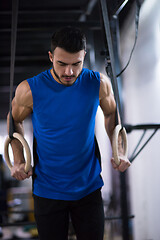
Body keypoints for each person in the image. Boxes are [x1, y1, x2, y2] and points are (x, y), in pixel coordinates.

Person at [7, 26, 131, 240]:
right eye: (61, 64)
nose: (69, 72)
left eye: (76, 64)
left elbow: (112, 114)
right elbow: (14, 119)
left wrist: (118, 150)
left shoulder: (98, 83)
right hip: (47, 189)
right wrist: (19, 160)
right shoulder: (29, 89)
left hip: (88, 186)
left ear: (84, 56)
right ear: (50, 56)